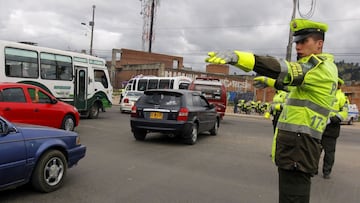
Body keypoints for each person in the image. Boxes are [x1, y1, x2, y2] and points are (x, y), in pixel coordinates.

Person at [205, 18, 338, 203]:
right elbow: (293, 87)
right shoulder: (315, 70)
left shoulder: (319, 68)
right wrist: (269, 82)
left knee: (292, 198)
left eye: (303, 41)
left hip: (299, 150)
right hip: (296, 149)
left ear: (319, 44)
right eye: (296, 42)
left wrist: (240, 57)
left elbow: (284, 69)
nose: (298, 46)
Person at [321, 78, 349, 179]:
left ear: (339, 85)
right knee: (315, 150)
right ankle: (313, 169)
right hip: (319, 125)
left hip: (332, 128)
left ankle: (326, 172)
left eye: (335, 83)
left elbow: (344, 112)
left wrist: (332, 119)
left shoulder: (342, 97)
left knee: (329, 153)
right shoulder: (324, 93)